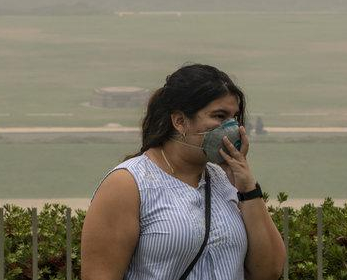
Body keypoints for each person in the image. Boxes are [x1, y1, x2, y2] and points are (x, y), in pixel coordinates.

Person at [81, 64, 285, 280]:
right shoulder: (128, 184)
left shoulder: (227, 181)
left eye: (234, 118)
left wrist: (248, 189)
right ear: (179, 121)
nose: (231, 128)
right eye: (219, 116)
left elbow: (269, 270)